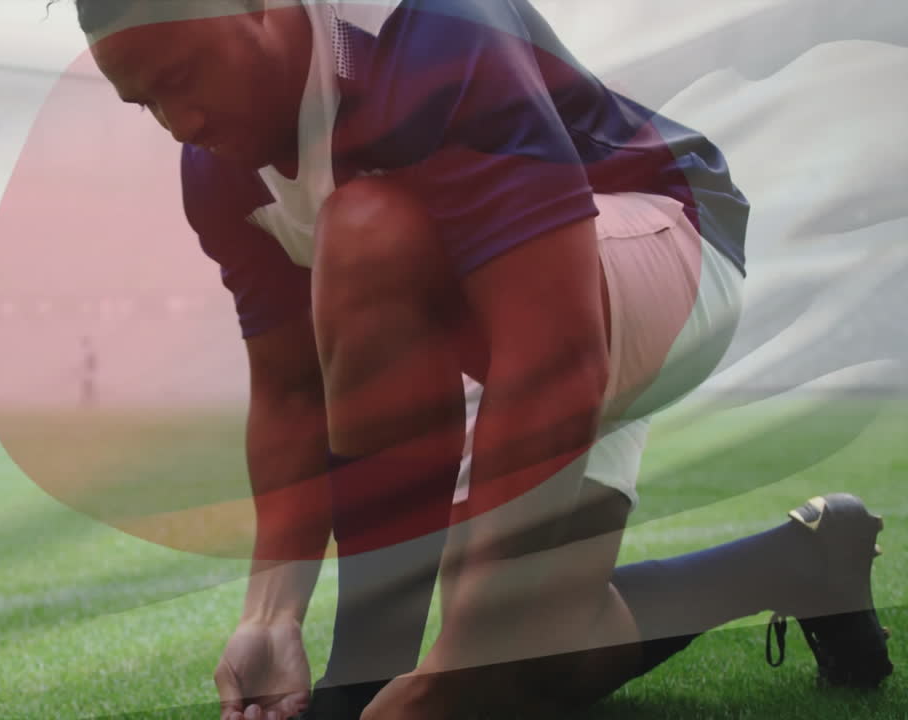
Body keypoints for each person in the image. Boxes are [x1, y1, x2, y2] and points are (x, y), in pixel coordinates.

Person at [60, 1, 894, 718]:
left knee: (367, 228)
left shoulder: (429, 32)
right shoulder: (215, 172)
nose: (182, 123)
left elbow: (558, 356)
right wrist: (271, 614)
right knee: (530, 665)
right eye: (148, 104)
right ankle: (805, 560)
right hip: (518, 327)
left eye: (184, 74)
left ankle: (365, 675)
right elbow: (288, 392)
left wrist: (441, 668)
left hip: (660, 247)